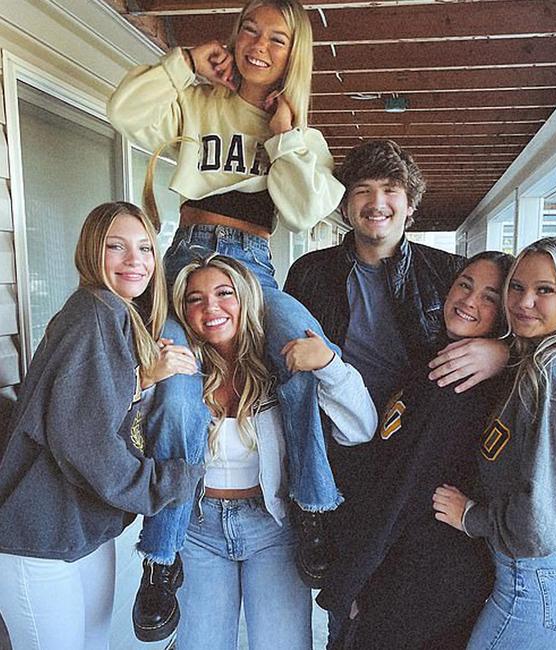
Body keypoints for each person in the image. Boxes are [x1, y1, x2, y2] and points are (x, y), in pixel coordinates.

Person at [107, 0, 346, 636]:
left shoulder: (298, 133)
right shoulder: (198, 97)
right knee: (180, 390)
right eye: (250, 29)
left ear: (294, 54)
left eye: (278, 38)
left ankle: (314, 510)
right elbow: (123, 114)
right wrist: (182, 64)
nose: (259, 45)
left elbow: (302, 211)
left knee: (303, 351)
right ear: (234, 35)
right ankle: (161, 560)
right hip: (187, 258)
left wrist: (288, 136)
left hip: (255, 269)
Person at [0, 202, 205, 650]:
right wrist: (168, 481)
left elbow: (100, 407)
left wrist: (144, 377)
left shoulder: (120, 314)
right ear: (93, 252)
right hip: (40, 538)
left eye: (145, 248)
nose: (136, 261)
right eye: (117, 247)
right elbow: (83, 441)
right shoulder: (91, 314)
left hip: (84, 530)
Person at [164, 254, 376, 650]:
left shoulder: (279, 366)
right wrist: (144, 380)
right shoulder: (181, 373)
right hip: (198, 530)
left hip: (273, 527)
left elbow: (360, 428)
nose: (211, 307)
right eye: (195, 299)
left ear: (245, 298)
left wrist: (329, 365)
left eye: (224, 293)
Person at [319, 251, 514, 649]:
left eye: (490, 297)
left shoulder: (459, 387)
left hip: (419, 581)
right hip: (401, 567)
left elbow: (403, 490)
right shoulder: (435, 358)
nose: (469, 300)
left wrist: (352, 581)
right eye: (465, 284)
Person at [433, 237, 556, 649]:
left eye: (545, 290)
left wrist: (471, 517)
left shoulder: (552, 378)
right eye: (516, 287)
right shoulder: (552, 362)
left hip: (538, 580)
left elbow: (542, 521)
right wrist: (501, 351)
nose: (524, 302)